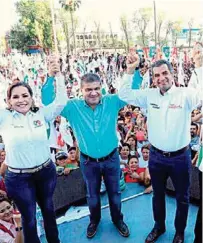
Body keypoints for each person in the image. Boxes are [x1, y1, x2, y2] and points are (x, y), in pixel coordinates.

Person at [118, 51, 202, 243]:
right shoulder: (149, 95)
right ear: (153, 78)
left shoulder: (185, 95)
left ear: (172, 74)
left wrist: (199, 65)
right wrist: (130, 70)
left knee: (183, 198)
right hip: (156, 157)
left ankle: (179, 232)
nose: (161, 78)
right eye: (156, 75)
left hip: (181, 158)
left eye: (165, 73)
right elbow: (124, 94)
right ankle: (159, 227)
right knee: (158, 196)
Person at [42, 72, 130, 239]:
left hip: (111, 158)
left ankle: (118, 219)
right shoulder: (71, 107)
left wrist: (132, 70)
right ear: (81, 90)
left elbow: (129, 94)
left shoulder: (112, 101)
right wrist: (52, 77)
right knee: (92, 195)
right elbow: (48, 102)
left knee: (115, 193)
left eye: (97, 88)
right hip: (88, 162)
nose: (93, 92)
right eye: (88, 89)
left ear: (101, 89)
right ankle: (94, 221)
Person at [2, 58, 67, 243]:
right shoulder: (4, 118)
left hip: (46, 172)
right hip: (19, 178)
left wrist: (58, 76)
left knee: (48, 210)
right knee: (29, 218)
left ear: (31, 97)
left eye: (25, 95)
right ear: (8, 101)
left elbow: (61, 101)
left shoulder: (40, 113)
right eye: (15, 97)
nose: (21, 100)